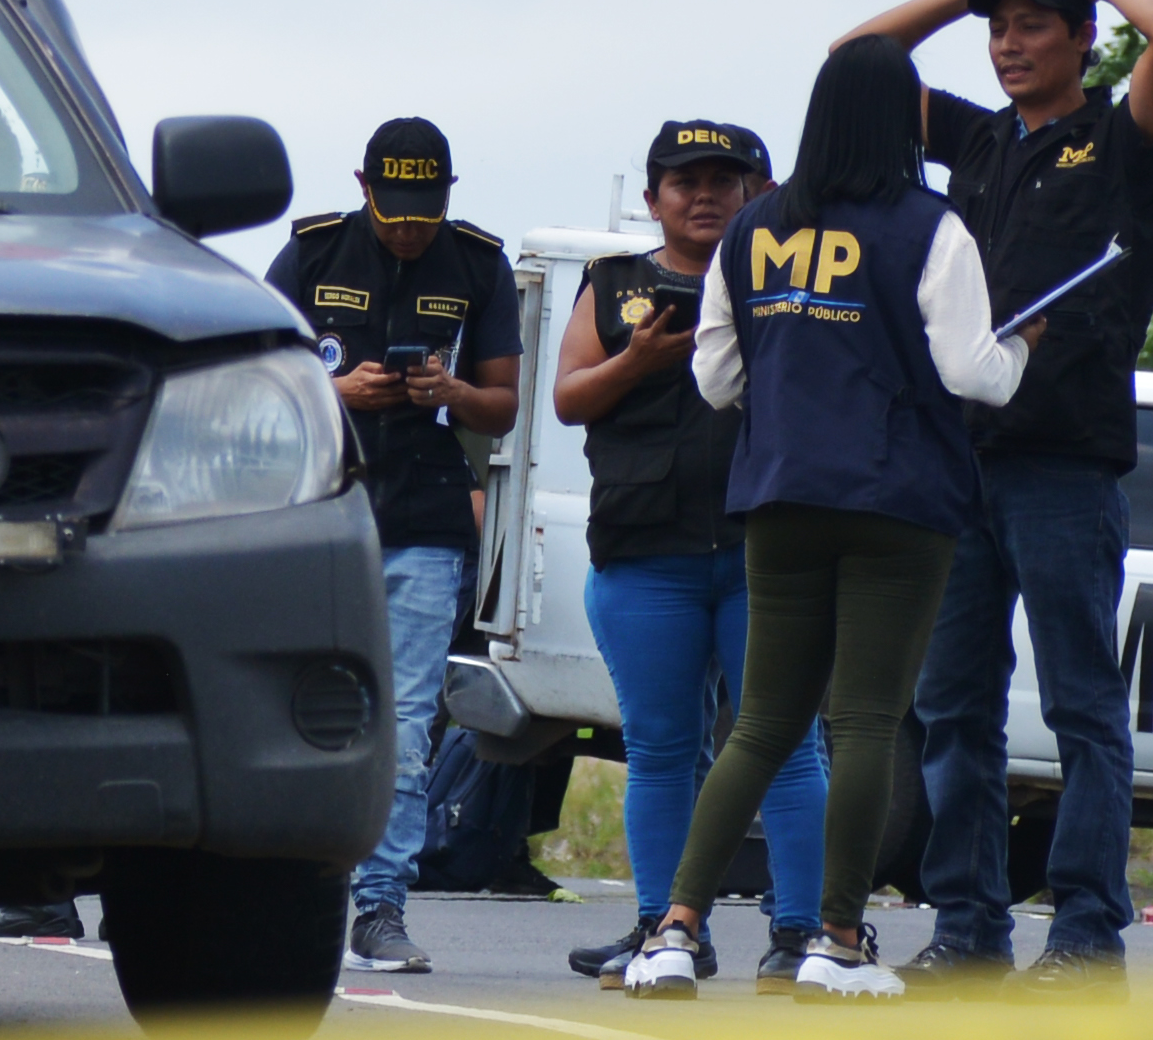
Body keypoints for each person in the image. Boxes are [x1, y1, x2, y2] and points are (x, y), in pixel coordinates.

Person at [617, 38, 1029, 1002]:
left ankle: (673, 930)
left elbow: (715, 378)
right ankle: (836, 941)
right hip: (900, 503)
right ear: (903, 123)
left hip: (778, 494)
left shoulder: (753, 228)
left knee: (758, 722)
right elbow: (973, 372)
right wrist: (1021, 351)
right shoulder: (935, 228)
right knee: (866, 722)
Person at [838, 0, 1153, 986]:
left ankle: (1086, 930)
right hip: (961, 460)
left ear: (1083, 37)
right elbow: (857, 58)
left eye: (1034, 24)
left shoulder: (1118, 137)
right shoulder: (981, 139)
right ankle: (969, 925)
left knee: (1083, 702)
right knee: (954, 704)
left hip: (1065, 466)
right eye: (999, 28)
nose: (1009, 42)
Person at [550, 118, 829, 990]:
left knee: (786, 743)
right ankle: (664, 930)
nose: (704, 195)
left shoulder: (796, 282)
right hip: (645, 554)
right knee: (661, 747)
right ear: (652, 199)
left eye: (724, 178)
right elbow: (565, 399)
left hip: (767, 552)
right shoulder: (614, 284)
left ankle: (800, 933)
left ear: (762, 191)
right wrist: (635, 362)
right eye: (684, 180)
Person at [266, 115, 520, 975]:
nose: (409, 225)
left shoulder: (479, 263)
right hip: (322, 515)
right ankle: (280, 894)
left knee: (408, 726)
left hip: (425, 521)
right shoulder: (311, 255)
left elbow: (505, 405)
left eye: (426, 208)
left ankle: (380, 909)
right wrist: (337, 391)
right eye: (394, 206)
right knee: (300, 710)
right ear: (364, 187)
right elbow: (260, 376)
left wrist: (448, 390)